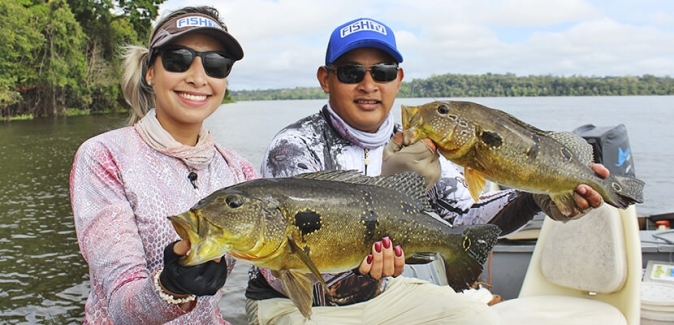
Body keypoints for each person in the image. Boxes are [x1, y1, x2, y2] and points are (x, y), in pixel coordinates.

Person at [244, 17, 608, 325]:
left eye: (382, 72)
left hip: (384, 293)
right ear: (326, 79)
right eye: (352, 72)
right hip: (295, 302)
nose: (369, 84)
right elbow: (292, 270)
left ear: (398, 79)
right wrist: (367, 266)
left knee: (478, 319)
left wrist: (535, 195)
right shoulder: (294, 147)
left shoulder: (423, 143)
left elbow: (466, 223)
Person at [69, 6, 258, 324]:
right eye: (177, 60)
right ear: (150, 71)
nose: (198, 78)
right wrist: (171, 286)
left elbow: (280, 271)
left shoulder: (239, 171)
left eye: (216, 64)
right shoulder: (105, 157)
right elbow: (120, 307)